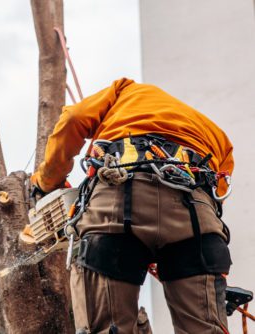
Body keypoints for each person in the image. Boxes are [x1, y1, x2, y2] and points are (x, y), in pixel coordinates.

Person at [30, 78, 234, 334]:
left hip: (118, 203)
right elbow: (218, 194)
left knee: (107, 329)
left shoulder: (125, 90)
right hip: (196, 216)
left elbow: (73, 119)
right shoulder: (217, 135)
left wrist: (47, 182)